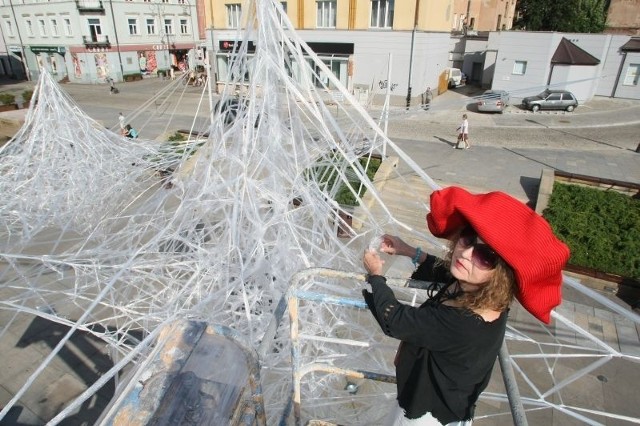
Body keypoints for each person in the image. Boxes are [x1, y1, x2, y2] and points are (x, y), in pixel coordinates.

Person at [362, 186, 570, 426]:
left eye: (485, 256)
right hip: (439, 402)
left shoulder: (464, 323)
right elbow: (445, 273)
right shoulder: (480, 291)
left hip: (426, 417)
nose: (466, 253)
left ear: (502, 274)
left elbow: (395, 320)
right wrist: (407, 250)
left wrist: (376, 276)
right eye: (468, 238)